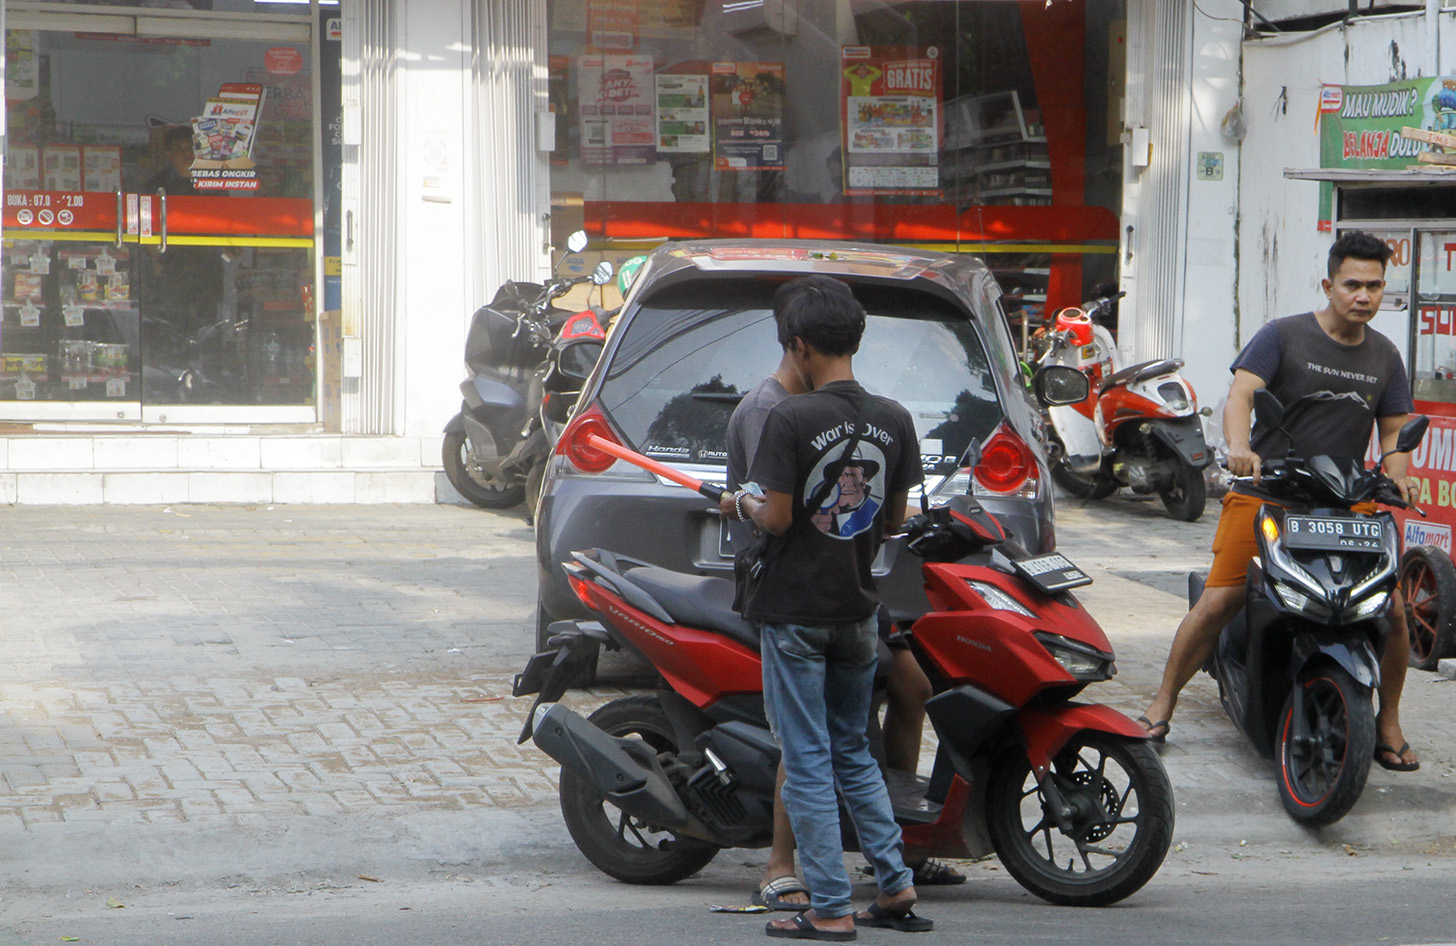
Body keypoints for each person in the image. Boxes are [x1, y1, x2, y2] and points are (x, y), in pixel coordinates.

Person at [1139, 230, 1421, 773]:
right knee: (1221, 601)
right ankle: (1162, 702)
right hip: (1268, 493)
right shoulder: (1283, 335)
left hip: (1345, 503)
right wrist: (1241, 448)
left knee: (1394, 612)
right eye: (1353, 284)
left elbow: (1394, 434)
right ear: (1329, 284)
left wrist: (1399, 476)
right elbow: (1243, 395)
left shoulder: (1385, 356)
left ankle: (1387, 722)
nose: (1364, 296)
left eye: (1375, 286)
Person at [719, 280, 955, 913]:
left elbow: (771, 518)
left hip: (795, 611)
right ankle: (896, 884)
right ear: (857, 338)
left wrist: (736, 499)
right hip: (858, 607)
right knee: (853, 751)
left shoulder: (790, 416)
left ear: (798, 346)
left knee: (807, 757)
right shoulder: (895, 417)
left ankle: (827, 907)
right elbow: (895, 517)